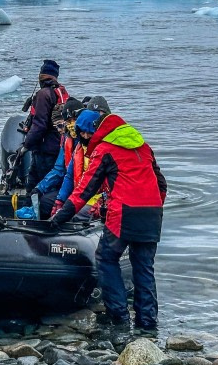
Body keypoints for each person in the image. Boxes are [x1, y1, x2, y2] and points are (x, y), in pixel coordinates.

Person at [50, 109, 168, 335]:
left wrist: (58, 219)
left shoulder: (104, 150)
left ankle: (119, 316)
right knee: (144, 266)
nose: (83, 140)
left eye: (83, 134)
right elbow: (161, 184)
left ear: (91, 132)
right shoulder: (143, 146)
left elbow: (84, 191)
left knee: (106, 258)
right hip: (152, 213)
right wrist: (154, 205)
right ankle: (148, 322)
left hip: (124, 212)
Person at [52, 96, 113, 219]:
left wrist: (102, 202)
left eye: (89, 133)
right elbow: (69, 176)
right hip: (82, 199)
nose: (85, 136)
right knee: (56, 213)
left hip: (102, 202)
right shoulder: (79, 147)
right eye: (83, 133)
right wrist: (60, 200)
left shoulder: (108, 147)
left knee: (68, 217)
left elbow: (114, 182)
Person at [18, 59, 69, 192]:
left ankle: (32, 210)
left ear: (42, 76)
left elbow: (39, 126)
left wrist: (26, 146)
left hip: (45, 150)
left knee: (34, 186)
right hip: (58, 147)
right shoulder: (61, 92)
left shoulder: (43, 94)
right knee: (52, 185)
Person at [31, 97, 84, 218]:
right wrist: (39, 188)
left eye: (74, 120)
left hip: (87, 191)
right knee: (44, 201)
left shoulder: (89, 140)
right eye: (68, 121)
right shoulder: (67, 140)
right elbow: (60, 169)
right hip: (73, 186)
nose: (71, 125)